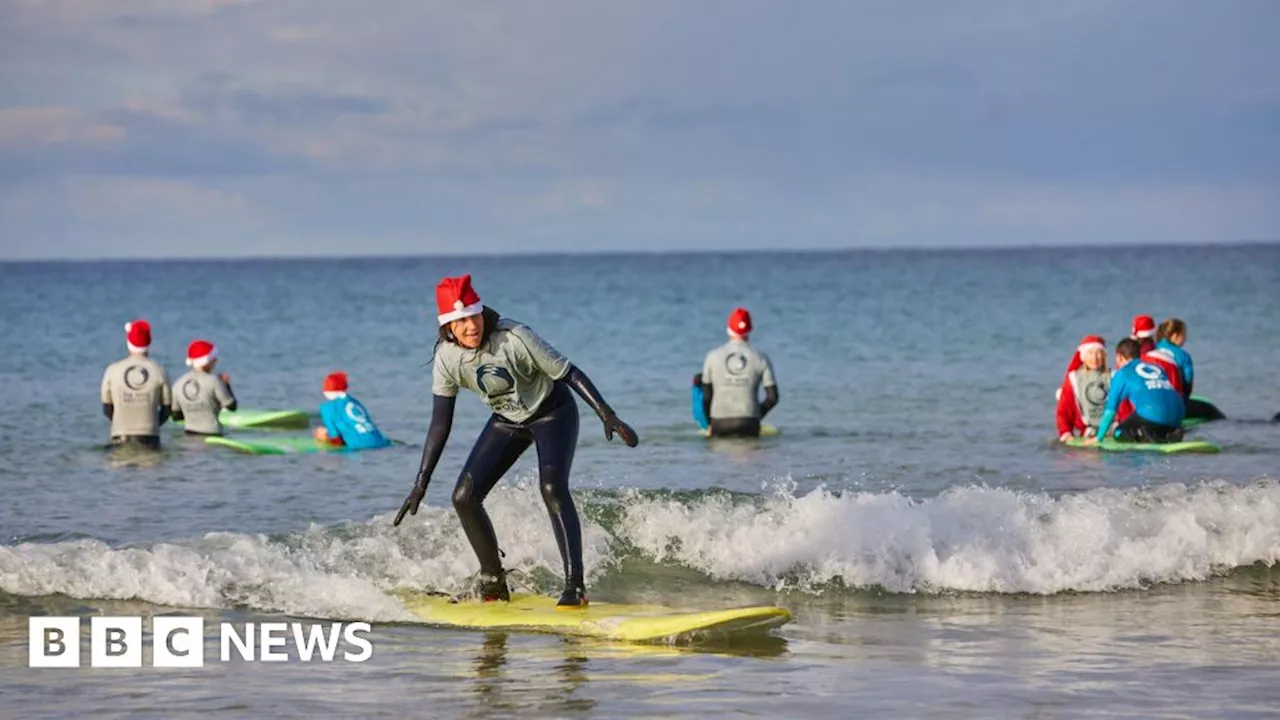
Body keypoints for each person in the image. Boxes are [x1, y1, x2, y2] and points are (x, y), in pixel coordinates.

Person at [393, 274, 638, 609]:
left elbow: (570, 372)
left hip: (553, 412)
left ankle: (575, 587)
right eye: (461, 321)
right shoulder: (447, 359)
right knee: (464, 497)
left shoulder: (514, 337)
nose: (471, 327)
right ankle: (493, 582)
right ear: (448, 327)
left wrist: (606, 414)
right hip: (507, 419)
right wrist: (421, 482)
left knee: (552, 488)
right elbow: (440, 423)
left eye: (474, 317)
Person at [1086, 338, 1185, 445]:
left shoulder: (1122, 373)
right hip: (1178, 415)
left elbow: (1110, 410)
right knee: (1145, 415)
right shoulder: (1157, 368)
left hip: (1152, 414)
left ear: (1119, 357)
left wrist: (1099, 437)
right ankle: (1169, 433)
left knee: (1118, 433)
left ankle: (1145, 435)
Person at [699, 307, 778, 438]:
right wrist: (757, 414)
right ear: (750, 330)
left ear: (728, 329)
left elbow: (707, 397)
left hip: (719, 422)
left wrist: (709, 423)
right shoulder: (761, 358)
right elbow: (773, 398)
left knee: (717, 457)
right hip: (749, 422)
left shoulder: (712, 356)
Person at [100, 319, 172, 449]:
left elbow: (106, 409)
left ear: (128, 342)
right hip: (150, 438)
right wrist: (152, 425)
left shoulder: (112, 370)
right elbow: (166, 411)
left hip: (119, 437)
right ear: (149, 342)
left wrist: (122, 423)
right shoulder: (160, 370)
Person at [171, 339, 237, 436]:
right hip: (213, 436)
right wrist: (226, 385)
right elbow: (232, 406)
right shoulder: (214, 380)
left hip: (189, 436)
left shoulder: (178, 384)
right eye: (213, 359)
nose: (216, 361)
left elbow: (176, 416)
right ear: (207, 361)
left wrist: (194, 411)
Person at [314, 371, 390, 449]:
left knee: (320, 432)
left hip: (360, 448)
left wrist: (325, 439)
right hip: (381, 443)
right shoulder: (355, 402)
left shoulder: (326, 408)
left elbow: (336, 441)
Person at [1055, 335, 1110, 442]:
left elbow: (1125, 407)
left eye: (1098, 353)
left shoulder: (1113, 376)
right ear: (1083, 357)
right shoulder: (1074, 379)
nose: (1094, 358)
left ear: (1104, 355)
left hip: (1112, 432)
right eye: (1090, 353)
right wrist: (1066, 433)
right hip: (1087, 434)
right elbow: (1063, 411)